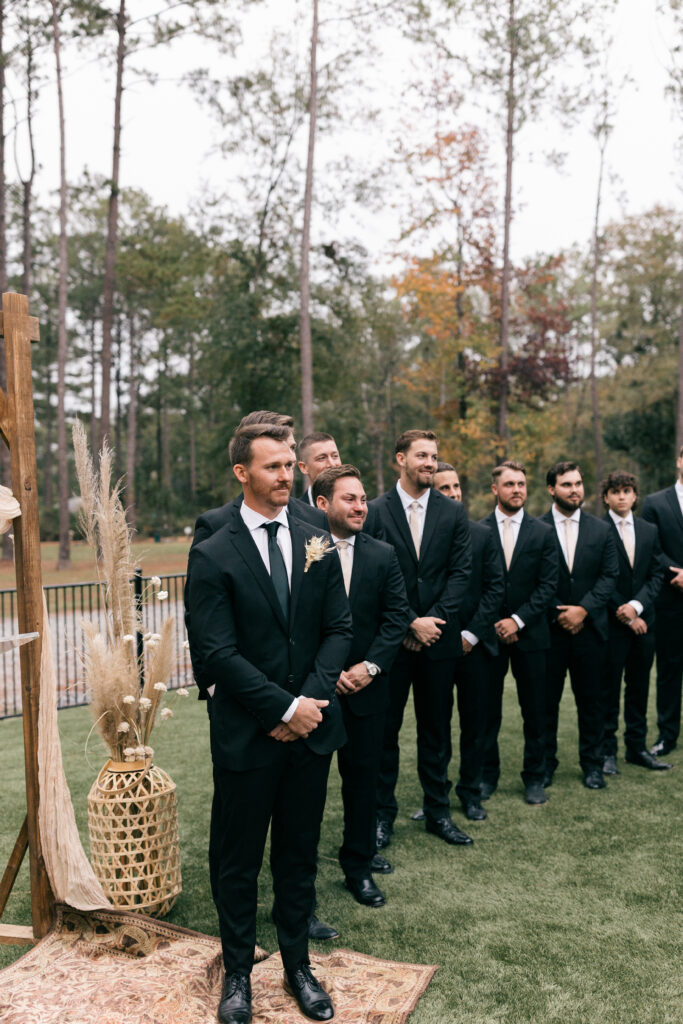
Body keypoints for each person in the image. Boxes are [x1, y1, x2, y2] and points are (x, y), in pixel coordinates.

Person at [186, 423, 352, 1024]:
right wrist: (282, 709)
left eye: (288, 464)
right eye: (273, 466)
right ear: (242, 473)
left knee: (298, 855)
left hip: (310, 733)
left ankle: (298, 966)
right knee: (239, 862)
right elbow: (216, 652)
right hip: (246, 734)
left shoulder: (317, 537)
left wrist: (307, 705)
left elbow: (338, 628)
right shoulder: (213, 551)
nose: (287, 475)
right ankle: (237, 973)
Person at [364, 430, 473, 848]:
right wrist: (410, 622)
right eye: (422, 455)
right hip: (391, 643)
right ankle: (381, 817)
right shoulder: (375, 511)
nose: (430, 462)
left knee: (436, 731)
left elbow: (460, 573)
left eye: (434, 456)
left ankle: (438, 812)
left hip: (439, 641)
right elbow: (373, 577)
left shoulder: (453, 512)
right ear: (400, 459)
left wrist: (432, 623)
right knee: (384, 734)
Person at [313, 465, 411, 909]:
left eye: (363, 498)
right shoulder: (304, 550)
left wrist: (370, 667)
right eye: (349, 498)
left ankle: (359, 867)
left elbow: (396, 617)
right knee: (307, 792)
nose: (360, 506)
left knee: (363, 785)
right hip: (316, 690)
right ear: (323, 504)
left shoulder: (383, 554)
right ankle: (301, 878)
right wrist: (327, 671)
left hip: (368, 690)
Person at [480, 460, 558, 806]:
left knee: (536, 711)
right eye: (509, 484)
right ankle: (486, 776)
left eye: (521, 484)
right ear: (495, 489)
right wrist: (498, 622)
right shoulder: (479, 530)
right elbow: (477, 584)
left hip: (532, 635)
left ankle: (535, 777)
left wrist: (518, 620)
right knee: (487, 711)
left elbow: (548, 585)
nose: (517, 490)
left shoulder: (543, 532)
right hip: (490, 636)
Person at [431, 462, 504, 822]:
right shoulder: (424, 538)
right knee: (436, 727)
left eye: (456, 486)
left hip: (476, 646)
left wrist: (471, 633)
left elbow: (495, 588)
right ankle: (436, 795)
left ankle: (471, 792)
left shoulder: (482, 534)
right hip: (435, 645)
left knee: (475, 725)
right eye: (444, 488)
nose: (454, 493)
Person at [540, 461, 618, 790]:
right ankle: (545, 765)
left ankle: (593, 764)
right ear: (551, 489)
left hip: (591, 631)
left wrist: (583, 610)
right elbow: (533, 578)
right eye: (567, 484)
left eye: (578, 483)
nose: (575, 490)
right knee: (546, 704)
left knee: (592, 703)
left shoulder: (601, 529)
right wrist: (560, 613)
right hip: (550, 631)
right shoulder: (537, 528)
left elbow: (609, 576)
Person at [601, 471, 669, 771]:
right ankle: (606, 752)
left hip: (645, 624)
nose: (622, 496)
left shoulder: (649, 530)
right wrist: (626, 614)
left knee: (639, 688)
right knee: (608, 690)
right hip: (611, 626)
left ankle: (636, 748)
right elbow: (599, 578)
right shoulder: (597, 529)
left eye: (627, 491)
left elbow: (656, 574)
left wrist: (637, 607)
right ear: (606, 497)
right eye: (615, 491)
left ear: (635, 495)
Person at [641, 447, 683, 756]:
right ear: (680, 461)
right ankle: (667, 736)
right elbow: (651, 549)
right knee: (669, 669)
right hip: (671, 601)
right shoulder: (655, 503)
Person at [297, 433, 342, 507]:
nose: (332, 464)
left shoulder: (358, 507)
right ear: (304, 467)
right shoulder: (293, 511)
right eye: (322, 458)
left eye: (335, 456)